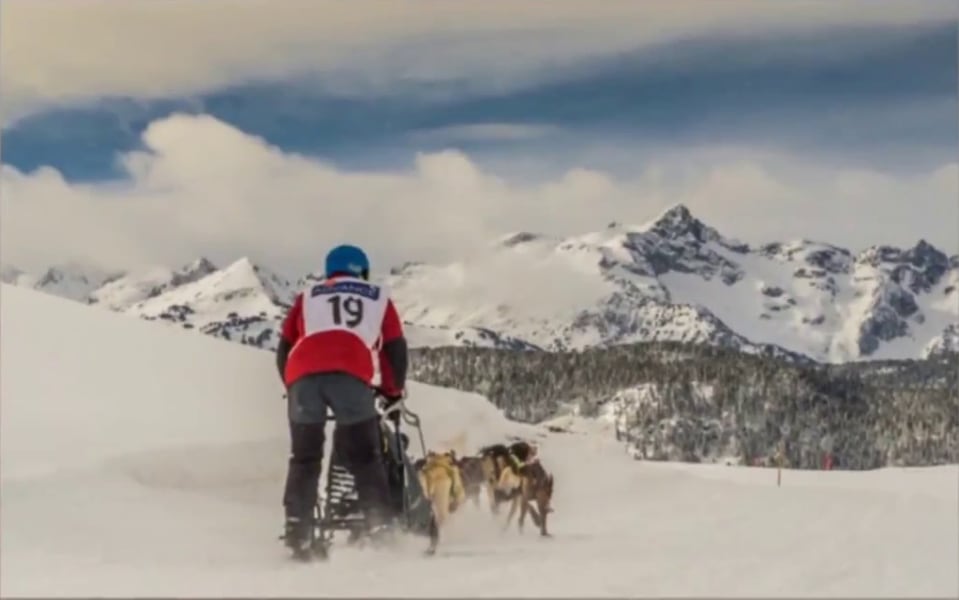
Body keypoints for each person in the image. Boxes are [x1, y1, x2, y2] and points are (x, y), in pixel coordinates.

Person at [275, 243, 408, 555]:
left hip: (302, 377)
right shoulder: (379, 297)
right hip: (350, 374)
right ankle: (379, 526)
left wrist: (293, 386)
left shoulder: (307, 296)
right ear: (362, 270)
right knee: (365, 455)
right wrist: (392, 391)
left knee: (304, 459)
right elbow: (394, 350)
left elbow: (284, 347)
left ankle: (298, 527)